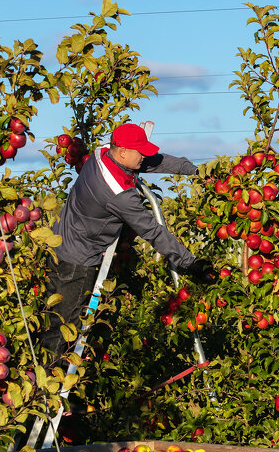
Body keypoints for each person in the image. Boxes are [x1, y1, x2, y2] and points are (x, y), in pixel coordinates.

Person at [41, 123, 215, 359]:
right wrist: (191, 263)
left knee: (49, 316)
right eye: (139, 152)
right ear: (122, 151)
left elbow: (155, 160)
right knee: (64, 328)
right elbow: (153, 231)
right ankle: (50, 386)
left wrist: (194, 170)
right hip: (77, 262)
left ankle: (40, 373)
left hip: (57, 240)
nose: (144, 156)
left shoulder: (100, 153)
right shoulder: (118, 193)